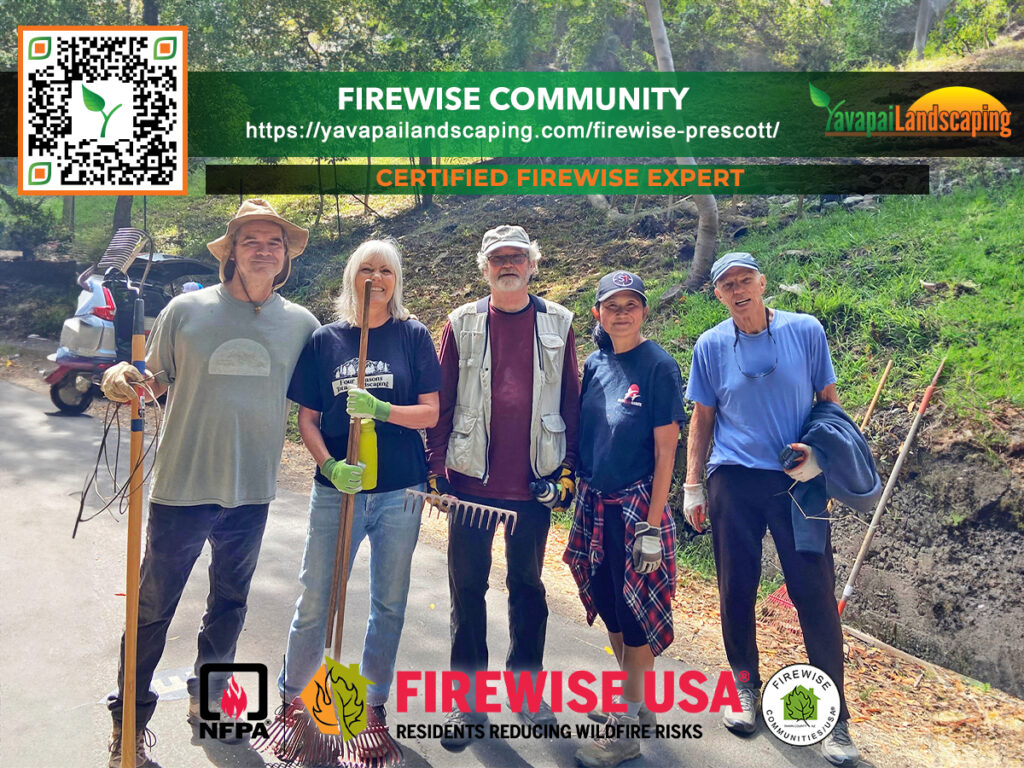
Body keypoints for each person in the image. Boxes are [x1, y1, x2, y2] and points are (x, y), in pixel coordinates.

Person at [100, 199, 320, 768]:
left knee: (230, 604)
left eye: (274, 242)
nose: (263, 249)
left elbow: (326, 398)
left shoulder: (302, 325)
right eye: (252, 240)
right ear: (232, 251)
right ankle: (128, 726)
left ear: (285, 258)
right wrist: (118, 376)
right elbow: (148, 377)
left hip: (251, 493)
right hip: (182, 487)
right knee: (152, 610)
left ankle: (209, 702)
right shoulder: (186, 310)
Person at [683, 252, 859, 767]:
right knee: (735, 588)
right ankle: (743, 688)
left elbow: (828, 402)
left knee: (814, 595)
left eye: (744, 281)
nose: (738, 291)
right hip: (734, 481)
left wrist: (818, 454)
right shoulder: (711, 345)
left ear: (762, 283)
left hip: (797, 481)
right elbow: (702, 419)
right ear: (718, 294)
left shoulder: (806, 331)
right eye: (727, 286)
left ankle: (836, 718)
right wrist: (693, 485)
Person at [272, 239, 441, 757]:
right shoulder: (327, 341)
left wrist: (384, 410)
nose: (375, 277)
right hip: (336, 492)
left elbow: (430, 413)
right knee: (317, 598)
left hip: (399, 491)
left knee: (387, 604)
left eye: (385, 270)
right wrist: (329, 464)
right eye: (365, 269)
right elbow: (306, 417)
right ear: (352, 277)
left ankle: (367, 707)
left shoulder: (412, 336)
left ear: (396, 280)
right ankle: (296, 703)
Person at [424, 225, 580, 749]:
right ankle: (467, 704)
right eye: (498, 258)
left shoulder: (559, 321)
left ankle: (526, 687)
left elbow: (573, 403)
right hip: (470, 481)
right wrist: (436, 468)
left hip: (535, 482)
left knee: (529, 588)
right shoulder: (461, 322)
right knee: (466, 589)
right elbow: (441, 401)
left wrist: (568, 473)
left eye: (517, 256)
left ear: (533, 264)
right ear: (484, 267)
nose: (507, 264)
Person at [564, 270, 685, 768]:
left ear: (644, 311)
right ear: (598, 313)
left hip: (638, 511)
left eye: (630, 304)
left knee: (637, 618)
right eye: (611, 305)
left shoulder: (658, 366)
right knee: (613, 609)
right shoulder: (594, 364)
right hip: (595, 505)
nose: (621, 312)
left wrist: (653, 526)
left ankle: (627, 729)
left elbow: (666, 451)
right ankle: (632, 704)